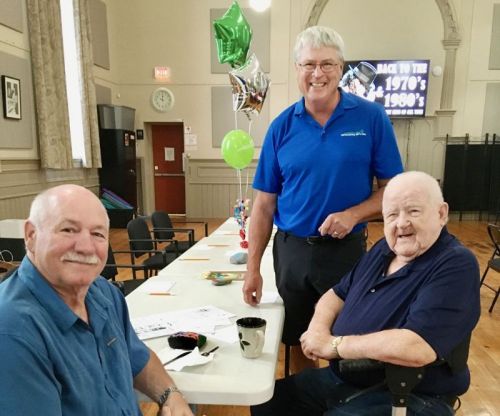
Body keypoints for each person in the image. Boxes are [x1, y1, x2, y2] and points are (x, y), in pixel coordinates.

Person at [251, 171, 481, 416]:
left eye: (413, 211)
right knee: (268, 404)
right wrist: (318, 329)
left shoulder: (455, 264)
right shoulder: (385, 249)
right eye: (392, 214)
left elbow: (417, 347)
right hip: (346, 379)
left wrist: (336, 345)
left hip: (406, 392)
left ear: (441, 213)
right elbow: (336, 294)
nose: (401, 223)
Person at [242, 25, 403, 372]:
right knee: (299, 339)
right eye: (309, 64)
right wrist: (252, 269)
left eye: (328, 64)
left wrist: (354, 215)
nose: (318, 73)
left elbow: (393, 189)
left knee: (342, 340)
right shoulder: (281, 127)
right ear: (297, 70)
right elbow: (264, 205)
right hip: (292, 251)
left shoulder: (370, 118)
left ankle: (338, 402)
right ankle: (305, 400)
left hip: (344, 252)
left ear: (341, 68)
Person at [0, 185, 194, 416]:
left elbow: (137, 357)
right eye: (68, 230)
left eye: (97, 234)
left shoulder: (103, 292)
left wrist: (170, 395)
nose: (85, 247)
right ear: (31, 235)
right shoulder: (13, 331)